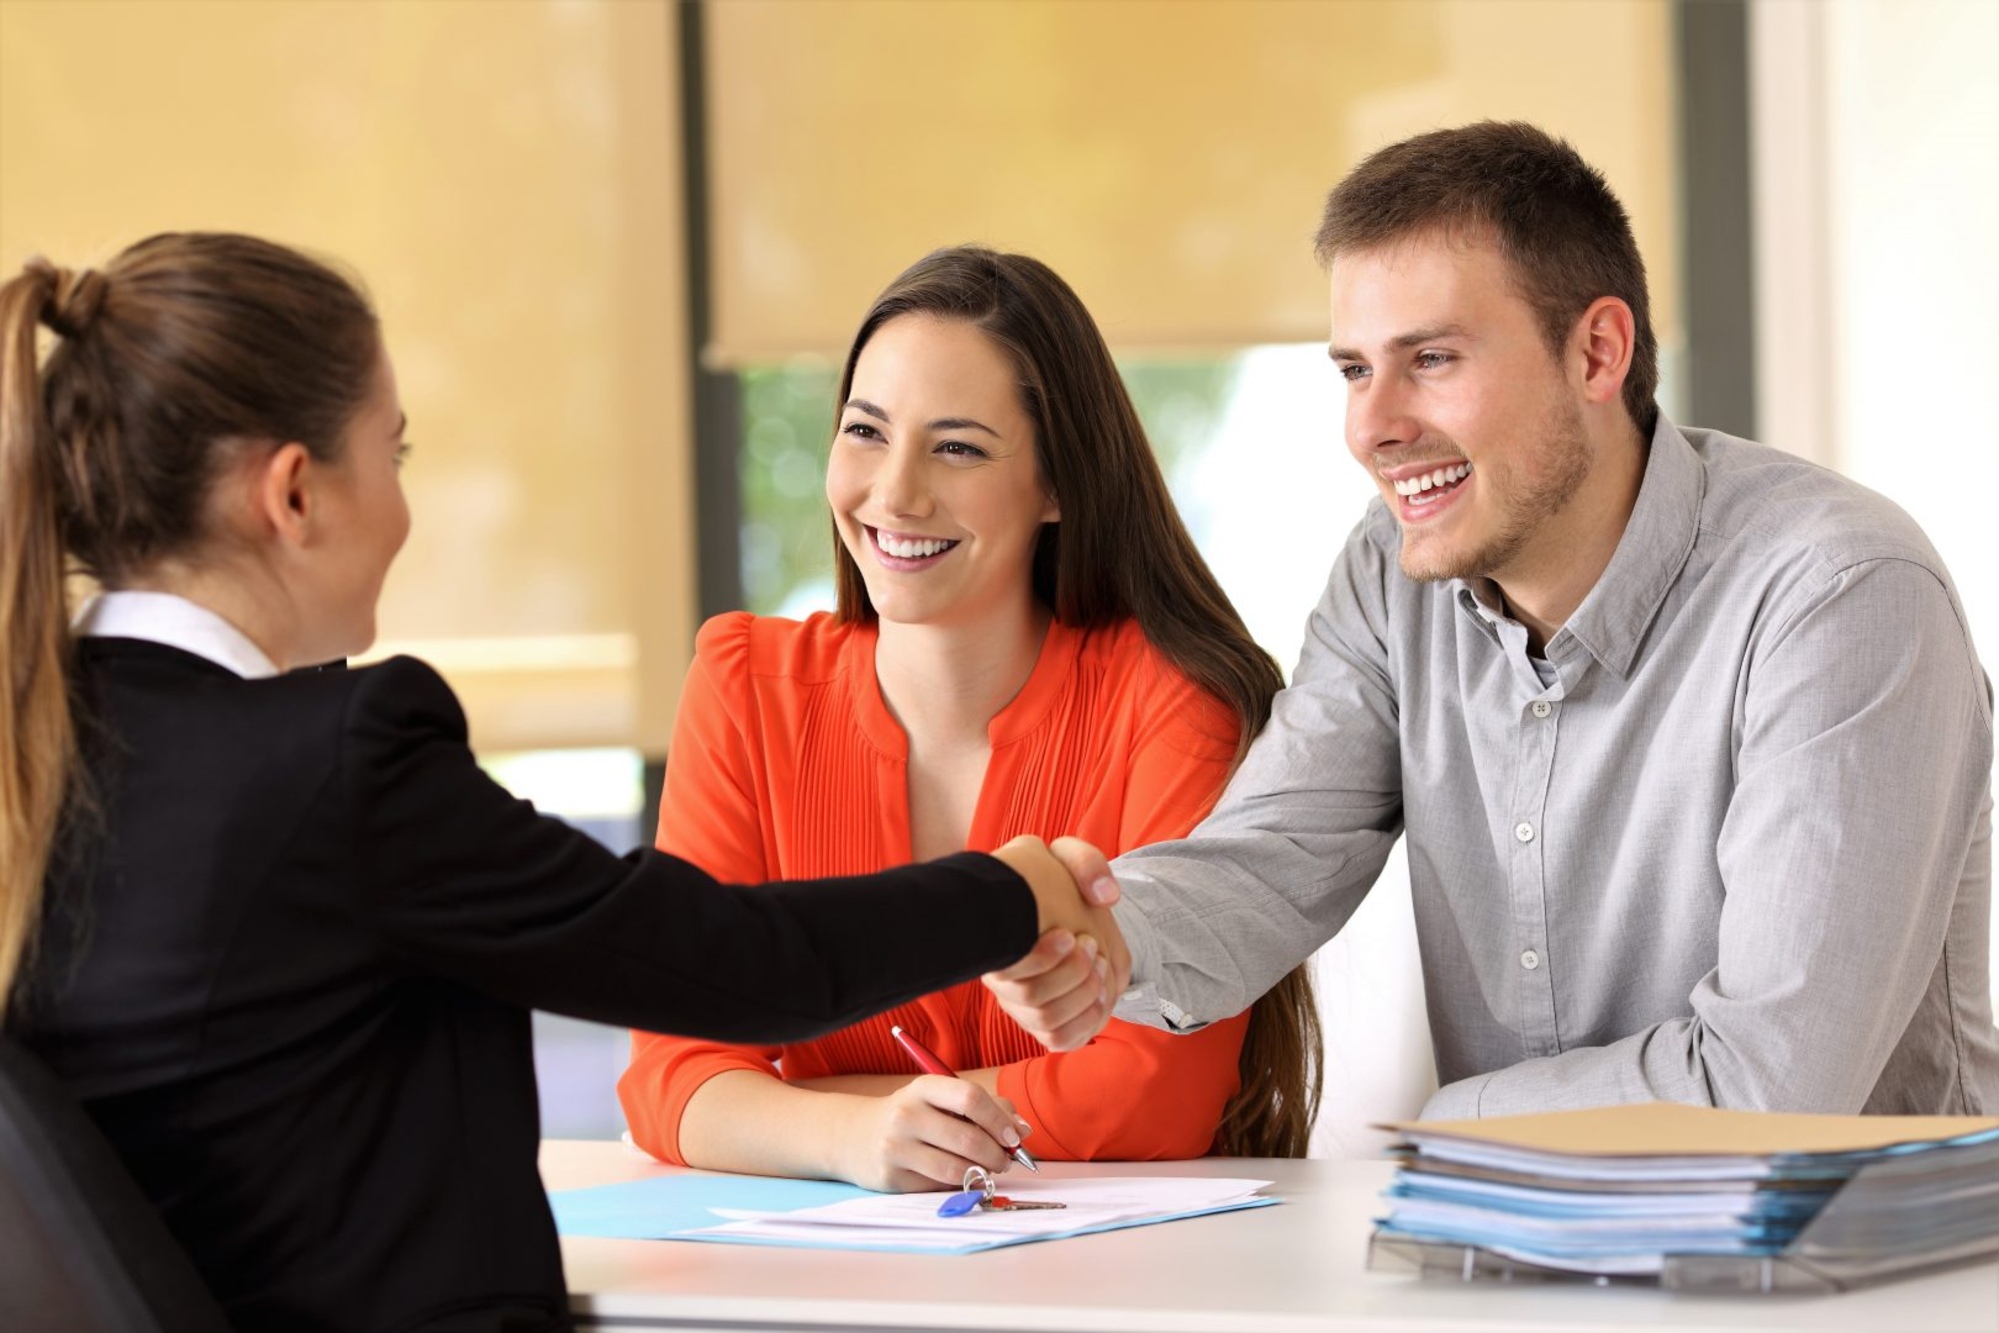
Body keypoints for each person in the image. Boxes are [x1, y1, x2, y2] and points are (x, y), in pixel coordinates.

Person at [0, 233, 1123, 1332]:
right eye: (391, 457)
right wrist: (1013, 887)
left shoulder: (37, 751)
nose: (401, 509)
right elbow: (735, 966)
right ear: (294, 495)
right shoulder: (335, 762)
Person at [989, 121, 1999, 1119]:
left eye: (1429, 357)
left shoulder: (1840, 596)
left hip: (1843, 1269)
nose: (1369, 427)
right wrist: (1102, 934)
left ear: (1597, 351)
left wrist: (1450, 1122)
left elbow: (1767, 1090)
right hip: (1517, 1252)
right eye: (1352, 368)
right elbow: (1270, 858)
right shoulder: (1391, 573)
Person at [617, 246, 1321, 1191]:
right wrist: (854, 1140)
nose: (894, 493)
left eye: (956, 446)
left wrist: (803, 1109)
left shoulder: (1169, 705)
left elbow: (1154, 1091)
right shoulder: (744, 686)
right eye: (865, 431)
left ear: (1060, 483)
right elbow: (672, 1071)